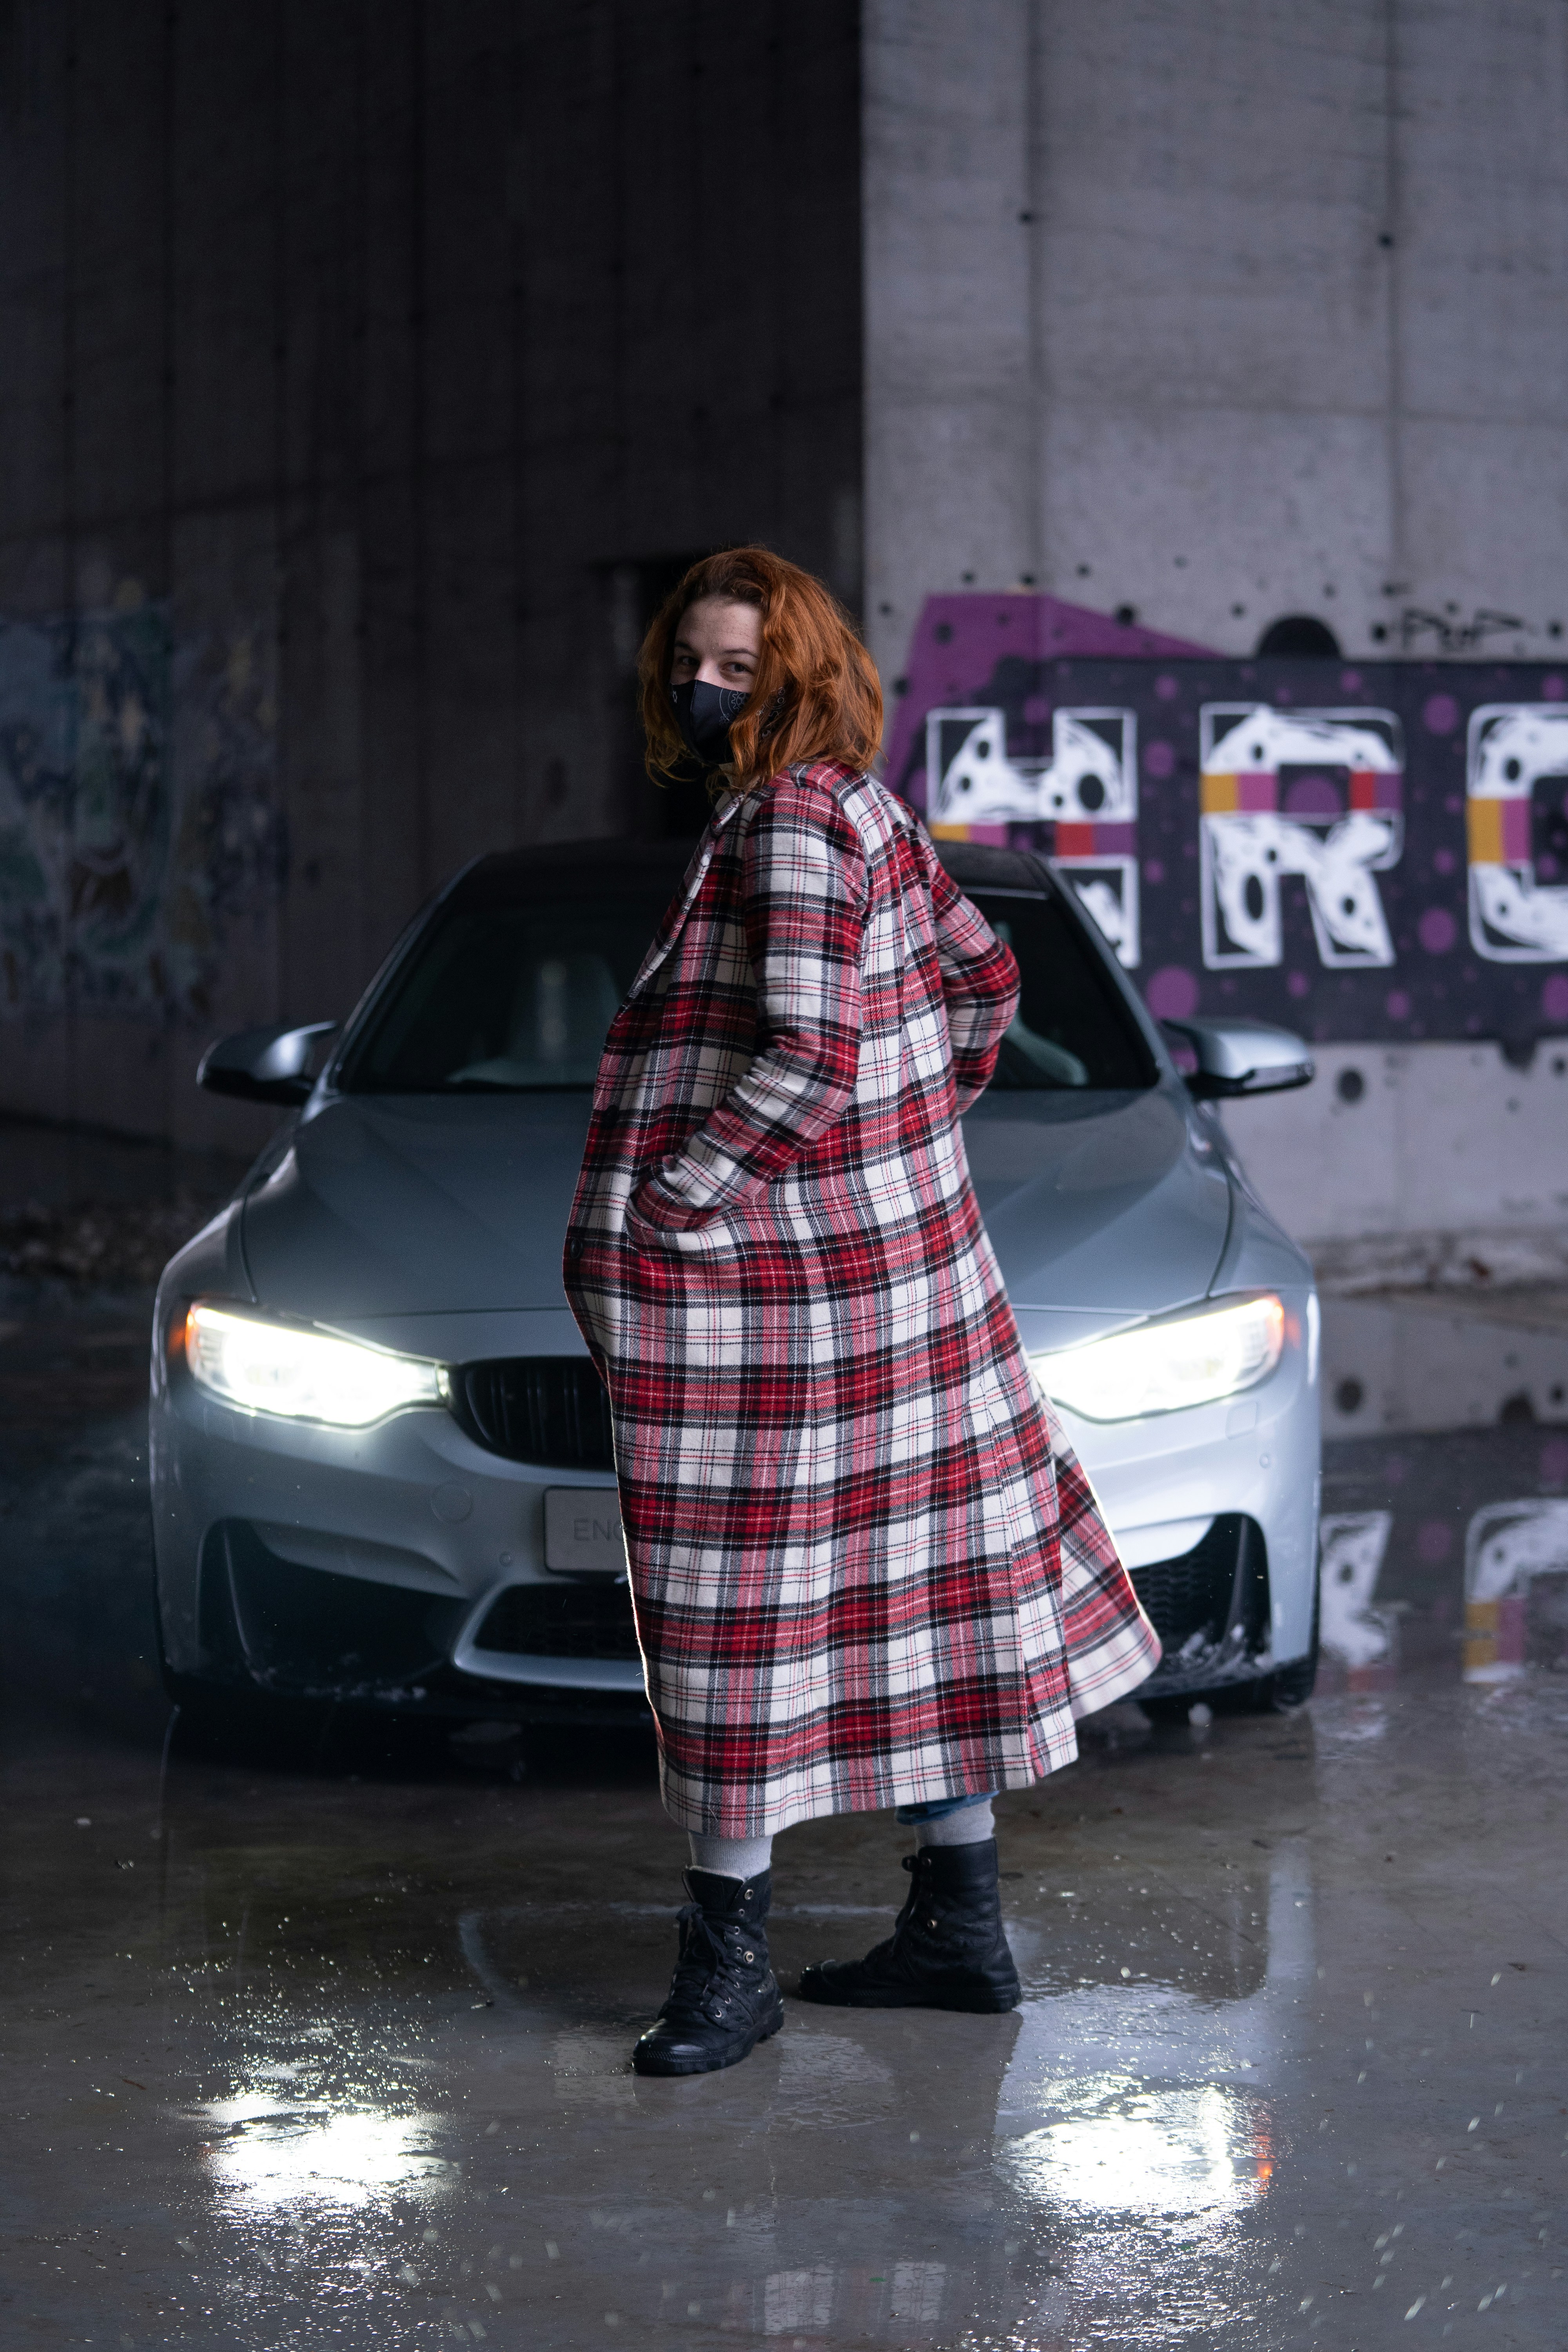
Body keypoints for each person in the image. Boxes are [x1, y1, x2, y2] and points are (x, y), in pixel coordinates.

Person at [562, 547, 1160, 2077]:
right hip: (906, 1286)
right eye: (689, 663)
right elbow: (986, 977)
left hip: (776, 1304)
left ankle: (727, 1970)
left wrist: (681, 1199)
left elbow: (817, 1056)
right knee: (925, 1596)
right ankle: (959, 1932)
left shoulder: (787, 823)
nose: (706, 689)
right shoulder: (868, 812)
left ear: (802, 674)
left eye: (737, 667)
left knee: (733, 1615)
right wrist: (908, 1144)